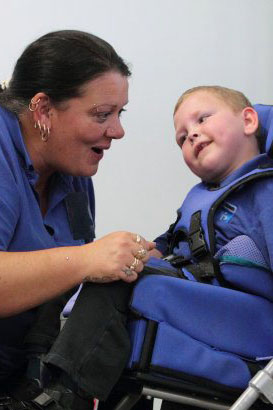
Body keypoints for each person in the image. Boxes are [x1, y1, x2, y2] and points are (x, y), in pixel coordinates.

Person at [0, 30, 156, 410]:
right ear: (43, 110)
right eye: (102, 115)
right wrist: (89, 259)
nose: (117, 131)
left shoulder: (73, 179)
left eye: (120, 114)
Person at [99, 85, 273, 410]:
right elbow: (170, 247)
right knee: (109, 273)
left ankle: (64, 389)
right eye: (181, 137)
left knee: (121, 287)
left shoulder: (265, 195)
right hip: (197, 331)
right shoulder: (201, 201)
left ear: (249, 121)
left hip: (246, 335)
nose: (192, 134)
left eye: (203, 119)